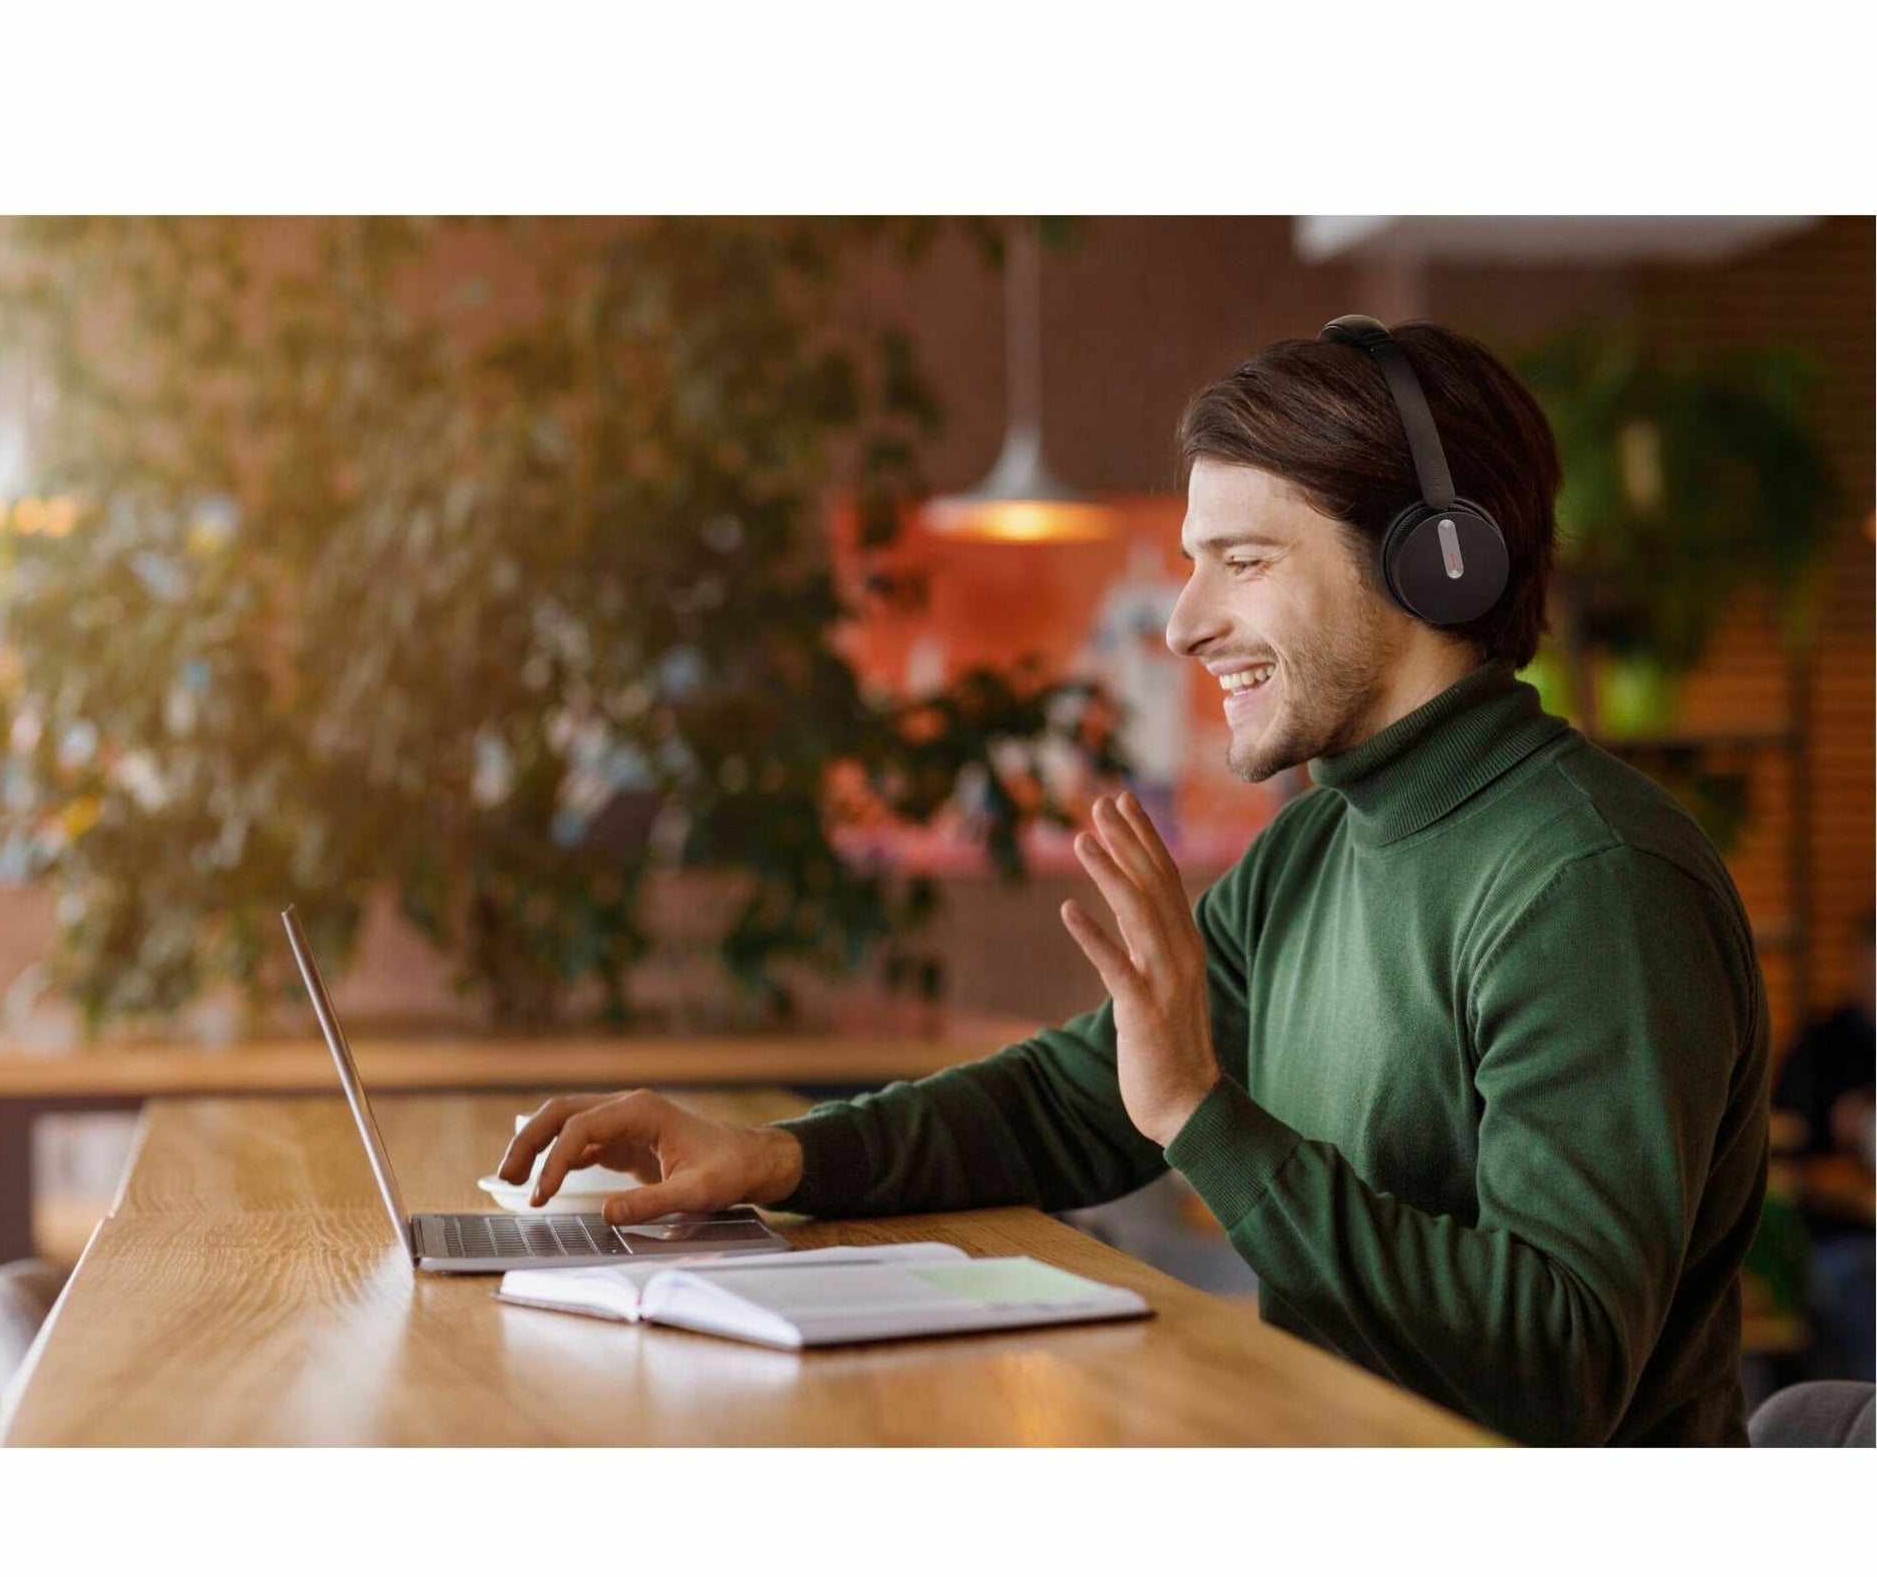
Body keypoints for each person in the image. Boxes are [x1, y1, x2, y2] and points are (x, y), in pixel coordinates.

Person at [498, 319, 1771, 1447]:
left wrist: (1206, 1118)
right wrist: (772, 1157)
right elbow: (1079, 1096)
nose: (1182, 621)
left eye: (1244, 559)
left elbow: (1557, 1372)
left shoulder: (1587, 884)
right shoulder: (1315, 850)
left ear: (1433, 562)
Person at [1771, 913, 1876, 1379]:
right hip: (1839, 1239)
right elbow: (1781, 1151)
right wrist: (1837, 1130)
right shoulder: (1821, 1048)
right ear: (1857, 964)